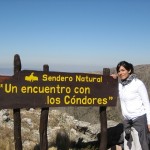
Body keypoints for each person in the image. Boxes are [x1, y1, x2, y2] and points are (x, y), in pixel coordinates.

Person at [111, 61, 150, 150]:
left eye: (123, 70)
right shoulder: (121, 85)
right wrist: (114, 77)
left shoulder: (138, 83)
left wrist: (149, 122)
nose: (121, 73)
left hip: (139, 120)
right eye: (119, 71)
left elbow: (147, 103)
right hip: (127, 121)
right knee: (129, 145)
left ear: (129, 70)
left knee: (140, 146)